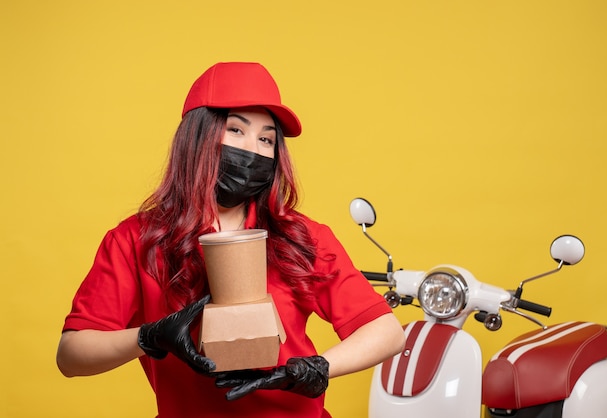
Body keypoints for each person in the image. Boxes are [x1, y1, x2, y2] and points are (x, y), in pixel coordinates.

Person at [56, 62, 406, 418]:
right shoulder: (136, 240)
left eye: (266, 139)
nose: (252, 149)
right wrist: (149, 338)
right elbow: (71, 355)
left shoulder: (302, 237)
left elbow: (387, 332)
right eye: (236, 130)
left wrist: (316, 368)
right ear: (197, 137)